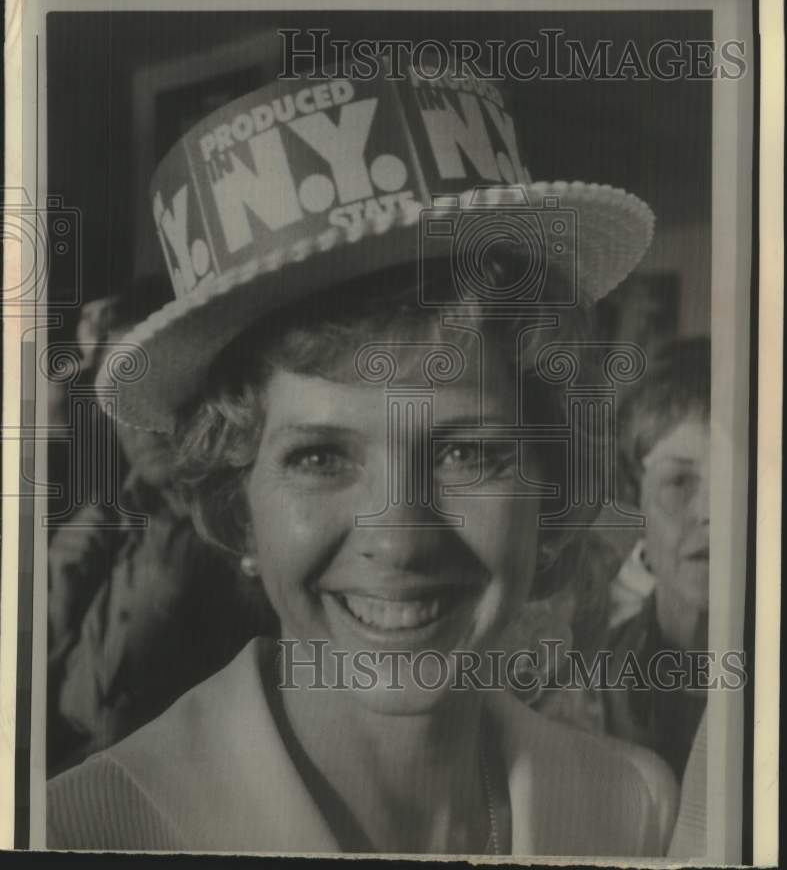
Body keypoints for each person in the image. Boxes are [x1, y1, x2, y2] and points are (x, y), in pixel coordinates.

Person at [47, 64, 678, 855]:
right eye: (318, 457)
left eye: (466, 450)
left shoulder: (633, 806)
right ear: (239, 509)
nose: (400, 538)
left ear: (546, 487)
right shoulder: (82, 833)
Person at [48, 282, 270, 774]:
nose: (136, 420)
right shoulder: (109, 521)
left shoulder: (239, 526)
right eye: (116, 394)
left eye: (149, 386)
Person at [601, 337, 711, 779]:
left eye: (743, 480)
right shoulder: (587, 683)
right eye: (680, 481)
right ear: (635, 496)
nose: (711, 513)